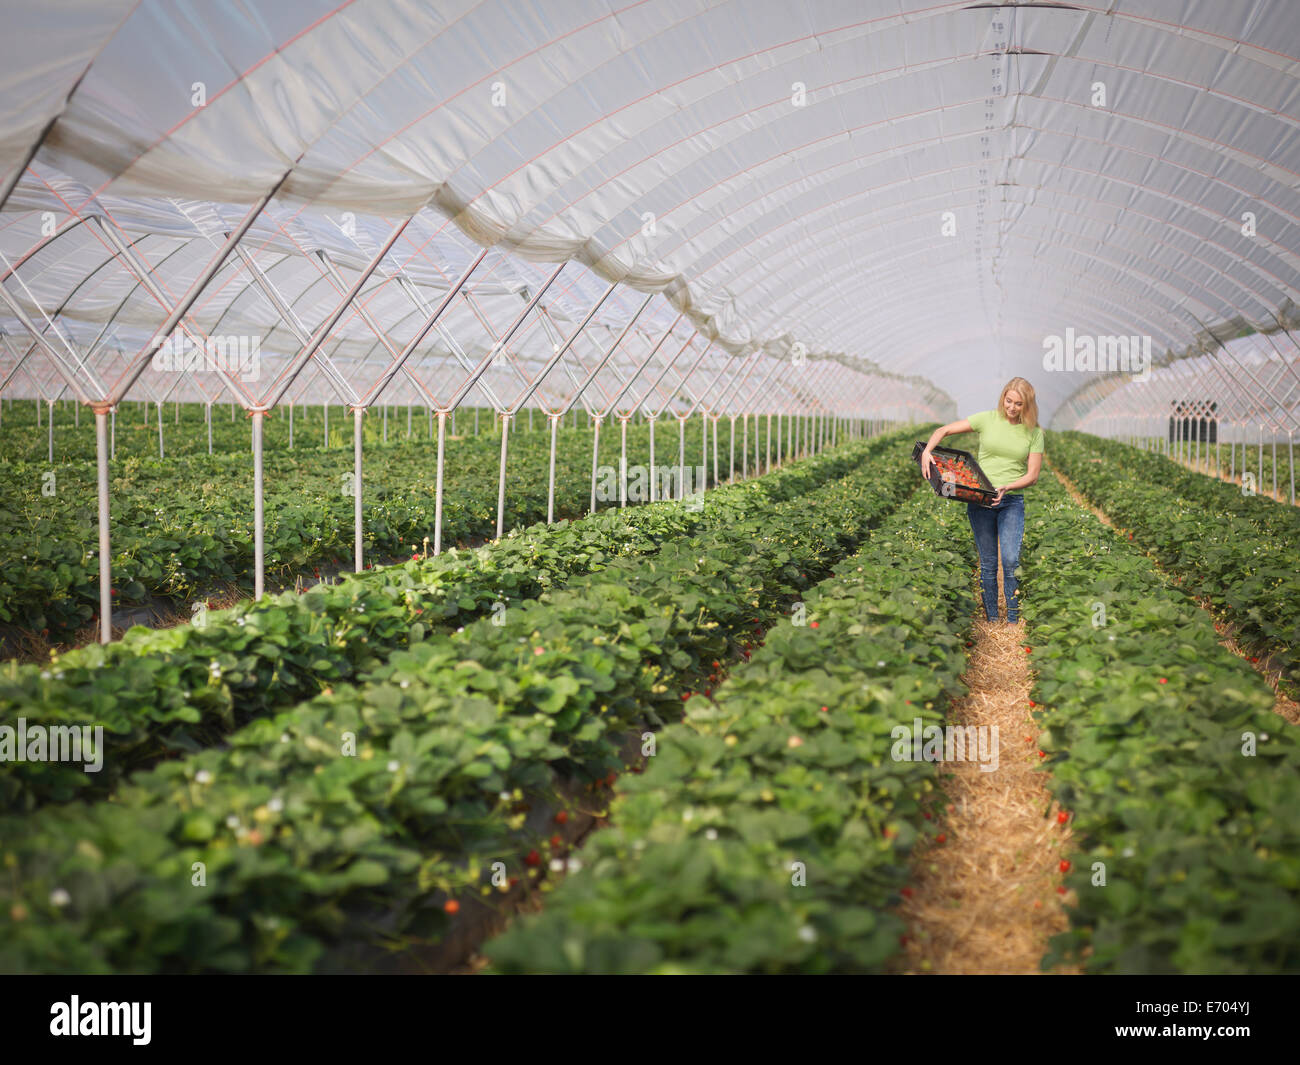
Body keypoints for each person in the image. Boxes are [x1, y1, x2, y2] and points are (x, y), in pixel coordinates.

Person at [920, 378, 1044, 625]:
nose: (1011, 407)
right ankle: (992, 618)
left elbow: (1032, 476)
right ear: (1003, 398)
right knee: (988, 562)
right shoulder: (987, 419)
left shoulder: (1035, 433)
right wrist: (926, 451)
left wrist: (1008, 486)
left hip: (1011, 501)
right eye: (1008, 401)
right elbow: (942, 431)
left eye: (1018, 404)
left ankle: (1012, 619)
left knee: (1010, 560)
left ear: (1027, 405)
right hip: (980, 500)